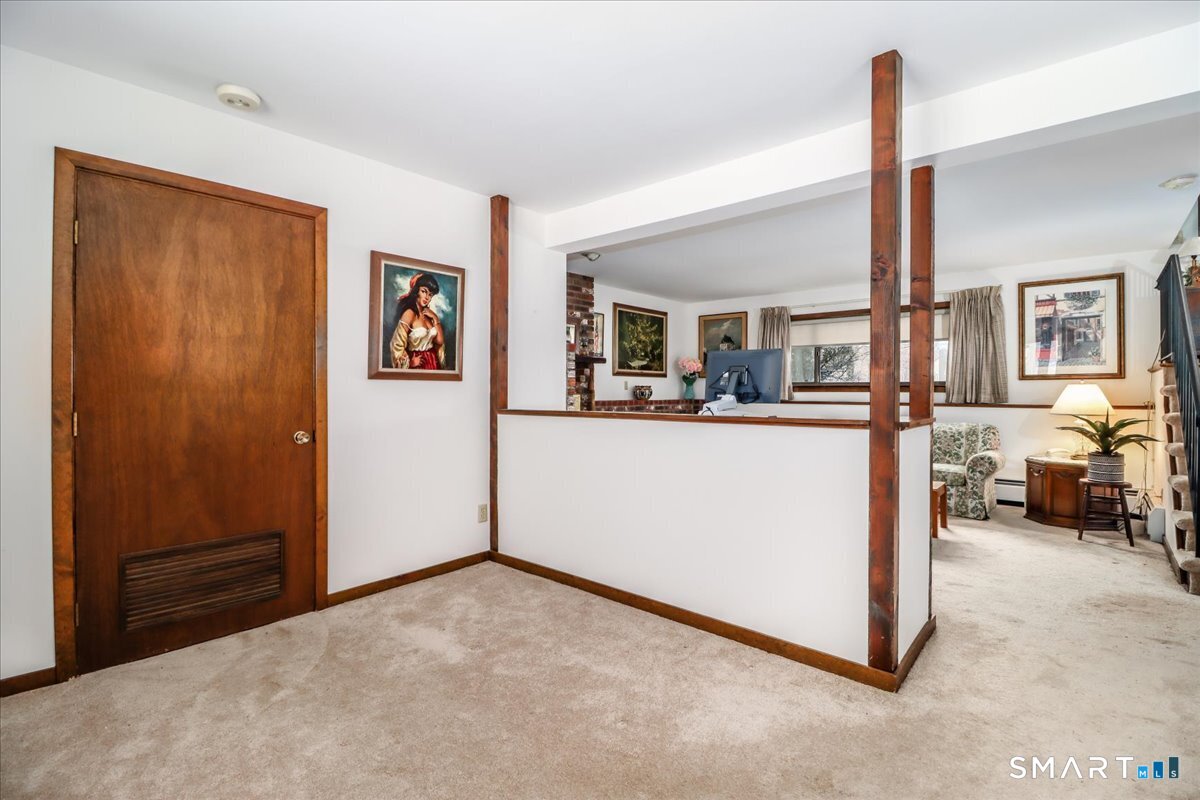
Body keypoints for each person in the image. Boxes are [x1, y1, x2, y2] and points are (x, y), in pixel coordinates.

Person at [389, 272, 445, 370]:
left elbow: (439, 341)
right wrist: (410, 363)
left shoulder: (429, 314)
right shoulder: (409, 314)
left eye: (430, 294)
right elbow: (397, 344)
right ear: (417, 291)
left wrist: (435, 318)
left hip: (432, 362)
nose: (427, 297)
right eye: (424, 291)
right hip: (418, 363)